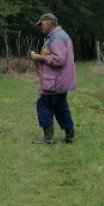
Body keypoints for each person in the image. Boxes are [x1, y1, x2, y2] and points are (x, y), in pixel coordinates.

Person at [29, 13, 77, 144]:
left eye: (41, 24)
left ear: (48, 23)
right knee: (60, 106)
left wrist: (38, 57)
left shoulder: (56, 37)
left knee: (43, 105)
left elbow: (59, 60)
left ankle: (48, 138)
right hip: (61, 81)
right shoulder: (62, 35)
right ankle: (70, 136)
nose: (40, 27)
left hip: (54, 81)